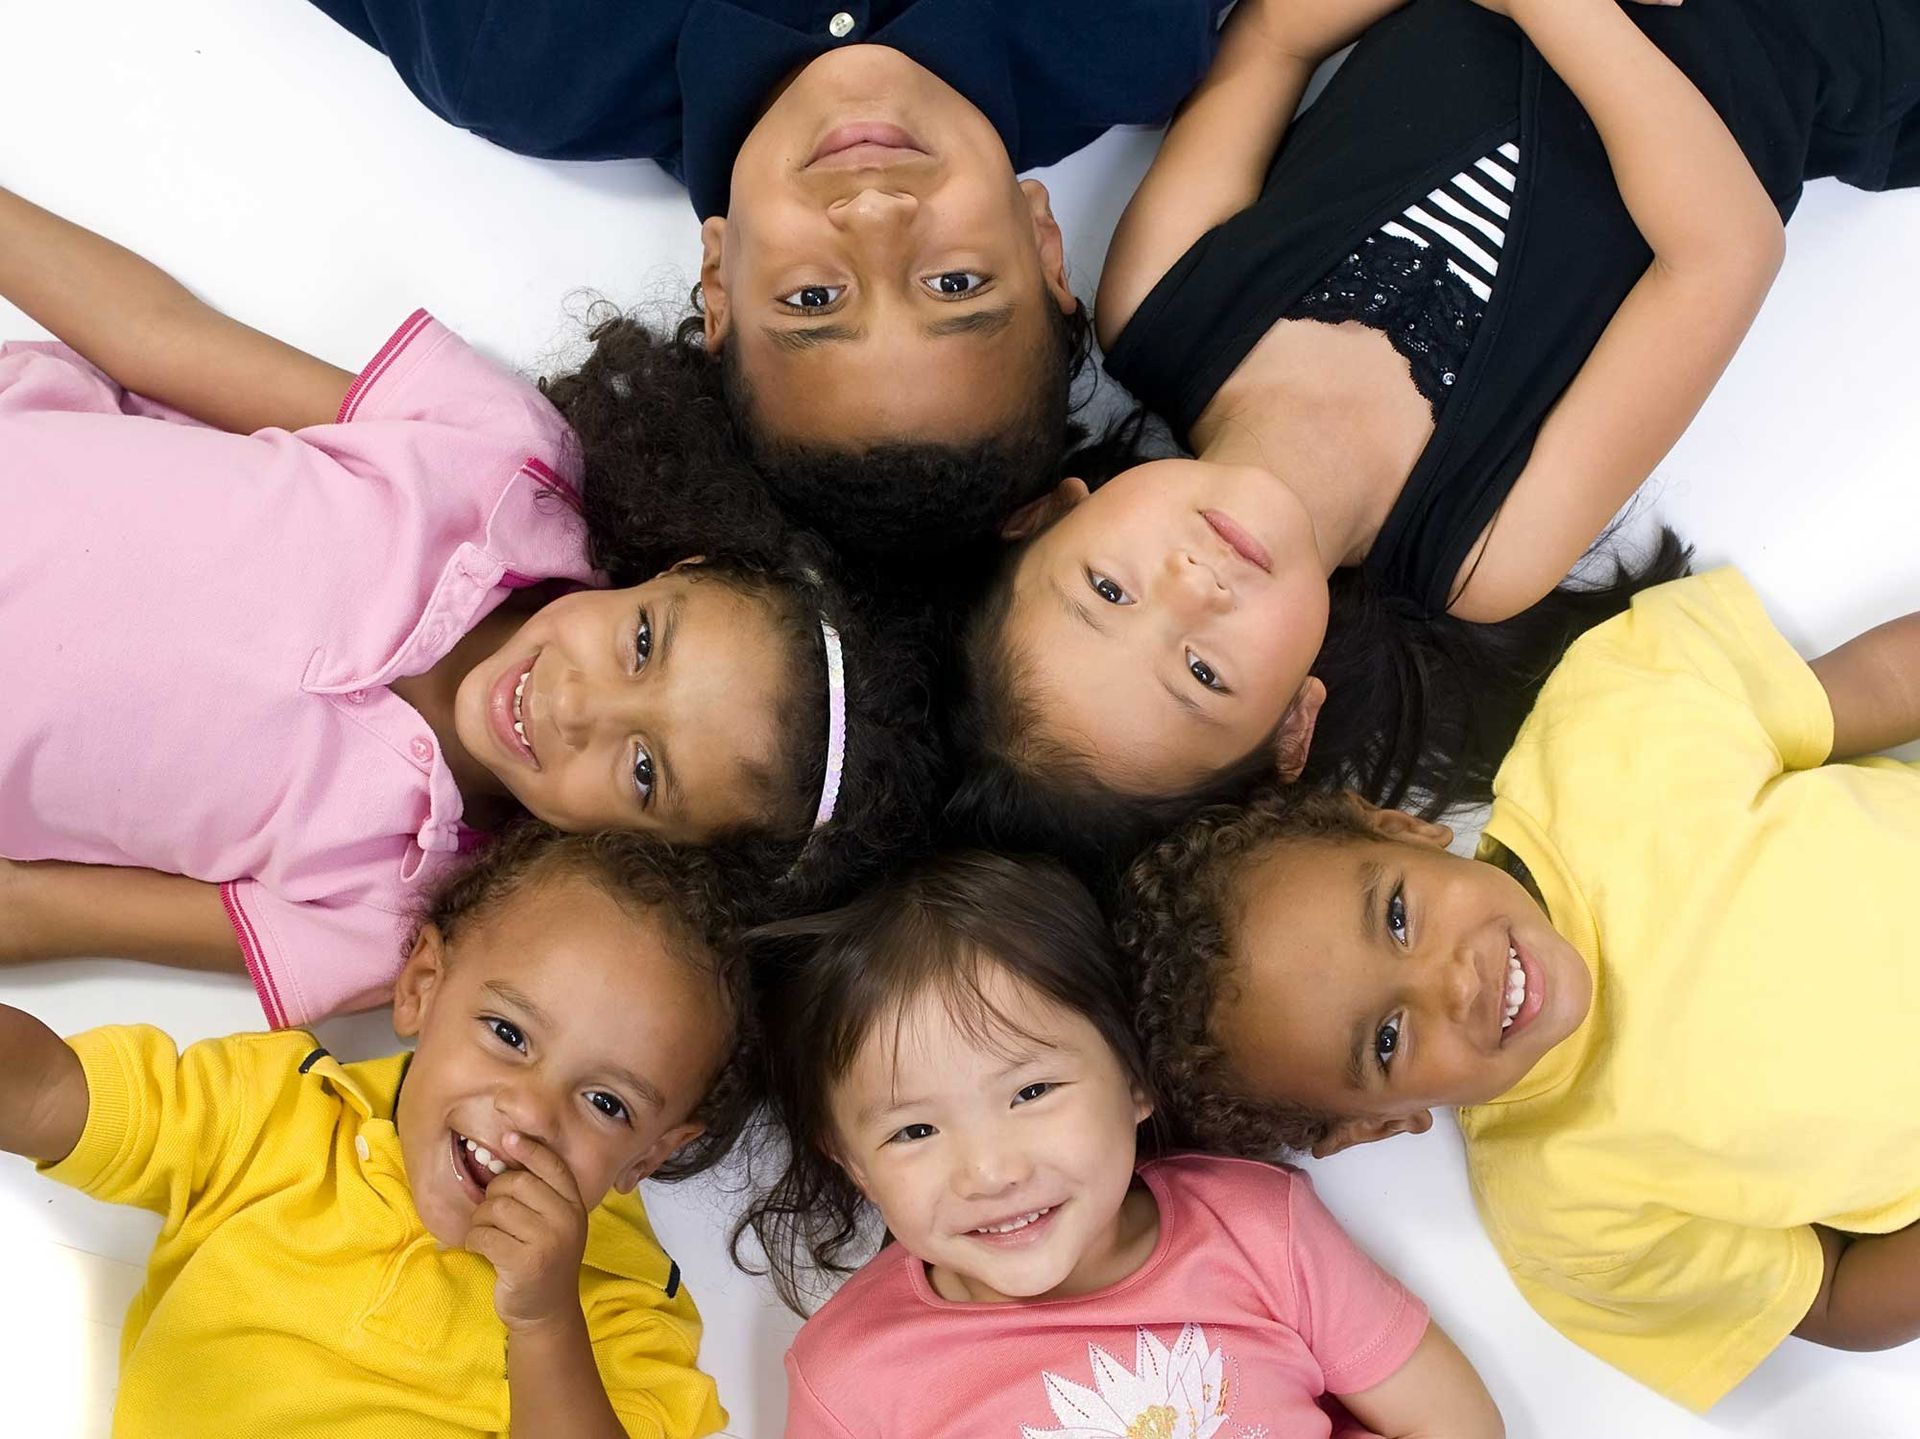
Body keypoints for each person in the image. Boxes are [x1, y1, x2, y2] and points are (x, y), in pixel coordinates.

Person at [953, 0, 1920, 859]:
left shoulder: (1157, 305)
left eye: (1110, 588)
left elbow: (1274, 37)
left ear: (1050, 514)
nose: (1191, 592)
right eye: (1203, 672)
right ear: (1295, 720)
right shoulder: (1484, 549)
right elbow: (1724, 252)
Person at [0, 185, 941, 1025]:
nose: (578, 705)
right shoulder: (502, 463)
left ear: (660, 857)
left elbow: (35, 910)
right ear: (676, 568)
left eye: (645, 771)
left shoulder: (402, 921)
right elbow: (157, 338)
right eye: (644, 642)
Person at [1119, 568, 1920, 1410]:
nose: (1453, 982)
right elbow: (1829, 1296)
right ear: (1374, 1123)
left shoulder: (1614, 722)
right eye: (1388, 1039)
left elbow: (1885, 683)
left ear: (1395, 826)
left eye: (1397, 914)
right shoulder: (1568, 1221)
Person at [302, 0, 1231, 556]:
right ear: (1042, 243)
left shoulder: (522, 54)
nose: (873, 215)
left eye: (813, 300)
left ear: (717, 282)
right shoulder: (1130, 28)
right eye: (954, 283)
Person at [0, 821, 746, 1437]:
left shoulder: (622, 1310)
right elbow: (49, 1094)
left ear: (649, 1155)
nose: (529, 1114)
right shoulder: (275, 1111)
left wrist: (546, 1322)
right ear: (423, 988)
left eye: (606, 1103)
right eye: (509, 1033)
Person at [742, 850, 1504, 1437]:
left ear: (1137, 1079)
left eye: (1032, 1092)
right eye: (914, 1130)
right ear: (853, 1165)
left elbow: (1450, 1418)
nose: (990, 1171)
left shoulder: (1261, 1229)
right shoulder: (849, 1378)